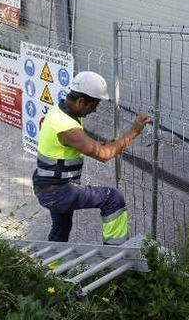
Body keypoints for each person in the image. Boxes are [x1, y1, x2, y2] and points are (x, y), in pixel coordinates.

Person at [33, 70, 152, 245]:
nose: (95, 109)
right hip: (57, 192)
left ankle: (52, 267)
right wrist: (134, 132)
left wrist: (110, 144)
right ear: (81, 101)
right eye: (93, 105)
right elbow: (104, 155)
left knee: (62, 227)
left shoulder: (61, 111)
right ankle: (115, 255)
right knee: (113, 198)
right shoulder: (67, 128)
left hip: (48, 186)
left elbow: (89, 144)